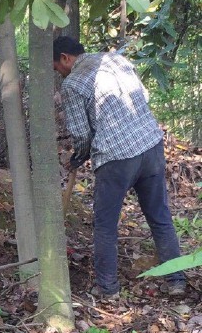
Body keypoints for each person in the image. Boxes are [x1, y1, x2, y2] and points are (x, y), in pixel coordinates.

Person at [52, 36, 186, 299]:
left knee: (105, 225)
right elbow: (143, 96)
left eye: (56, 66)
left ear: (66, 58)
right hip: (151, 145)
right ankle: (177, 280)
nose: (58, 72)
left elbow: (80, 133)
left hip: (116, 158)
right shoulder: (117, 60)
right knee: (160, 218)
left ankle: (108, 289)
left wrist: (79, 155)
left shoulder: (74, 84)